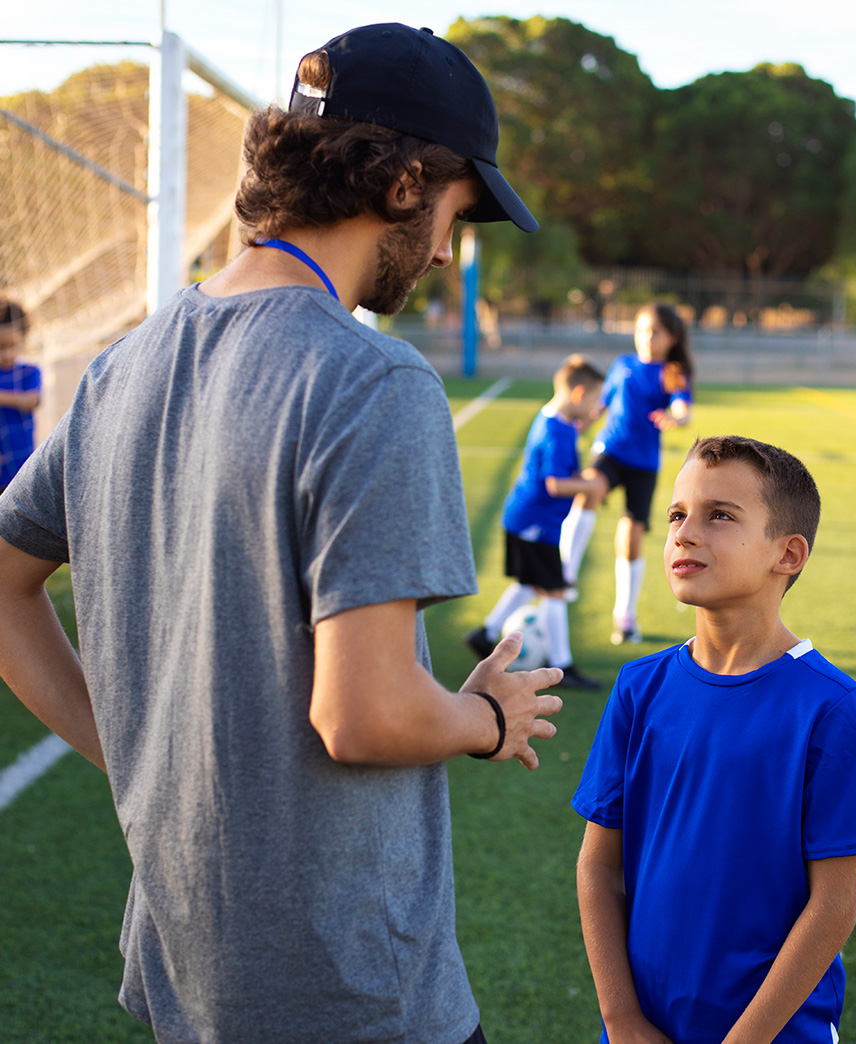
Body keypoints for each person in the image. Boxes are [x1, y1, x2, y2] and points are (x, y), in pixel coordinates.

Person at [0, 24, 564, 1044]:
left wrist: (132, 754)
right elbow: (367, 714)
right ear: (401, 182)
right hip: (349, 994)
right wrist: (488, 720)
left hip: (188, 978)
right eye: (456, 211)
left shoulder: (127, 362)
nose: (445, 247)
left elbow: (2, 578)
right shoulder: (376, 382)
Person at [573, 435, 856, 1044]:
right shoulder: (639, 686)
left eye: (719, 516)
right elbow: (598, 866)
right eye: (677, 515)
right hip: (641, 1029)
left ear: (789, 554)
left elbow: (833, 908)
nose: (684, 533)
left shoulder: (829, 706)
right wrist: (621, 1020)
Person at [464, 354, 606, 690]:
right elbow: (555, 484)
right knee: (555, 590)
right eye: (595, 399)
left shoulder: (554, 418)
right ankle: (562, 666)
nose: (597, 406)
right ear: (577, 395)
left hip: (528, 519)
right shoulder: (557, 431)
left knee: (531, 583)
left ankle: (484, 634)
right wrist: (591, 484)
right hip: (535, 524)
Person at [560, 302, 693, 645]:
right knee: (588, 489)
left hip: (644, 463)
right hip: (610, 451)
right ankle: (565, 572)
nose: (647, 338)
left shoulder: (672, 371)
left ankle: (625, 616)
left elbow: (682, 408)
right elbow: (598, 405)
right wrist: (575, 422)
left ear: (671, 337)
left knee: (631, 537)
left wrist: (676, 419)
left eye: (655, 332)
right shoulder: (622, 365)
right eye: (641, 330)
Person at [0, 299, 42, 494]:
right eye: (1, 347)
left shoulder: (29, 372)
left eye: (13, 346)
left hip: (22, 465)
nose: (7, 353)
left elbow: (31, 400)